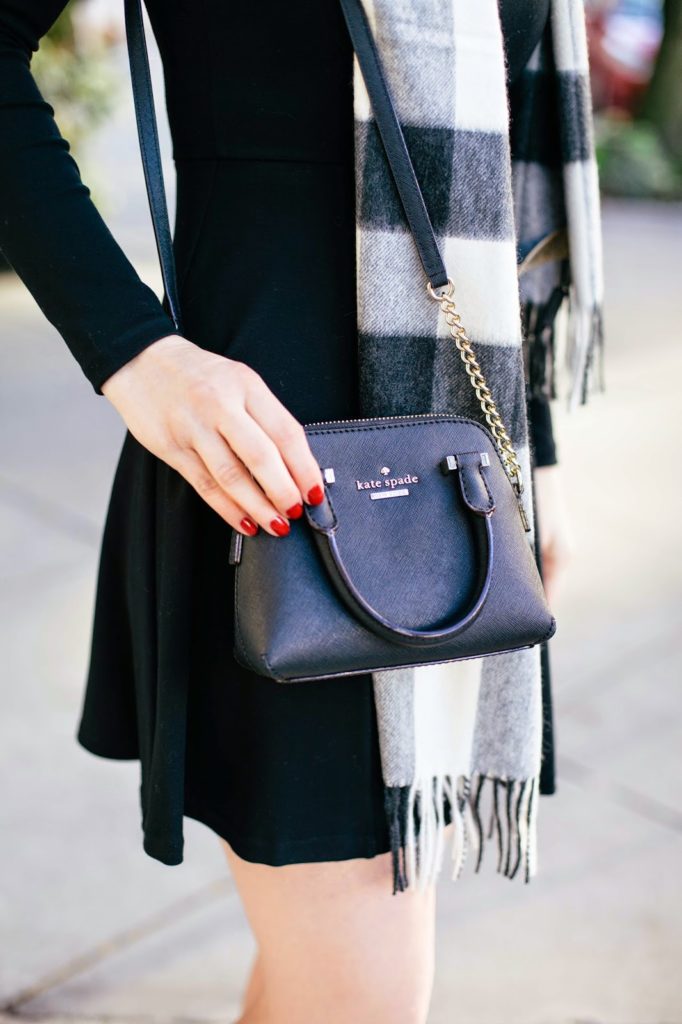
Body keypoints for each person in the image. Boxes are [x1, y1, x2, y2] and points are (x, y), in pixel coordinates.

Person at [0, 1, 573, 1021]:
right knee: (360, 991)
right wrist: (133, 352)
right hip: (273, 471)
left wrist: (537, 467)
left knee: (325, 981)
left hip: (448, 473)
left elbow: (507, 141)